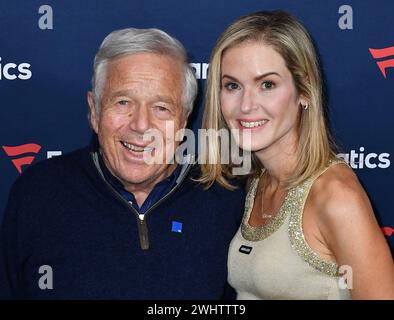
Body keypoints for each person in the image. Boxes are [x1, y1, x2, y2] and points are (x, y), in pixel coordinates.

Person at [0, 28, 245, 299]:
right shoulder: (38, 193)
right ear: (94, 112)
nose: (141, 125)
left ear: (183, 121)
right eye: (123, 102)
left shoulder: (224, 198)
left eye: (161, 108)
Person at [199, 10, 394, 299]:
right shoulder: (256, 181)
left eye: (267, 84)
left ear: (304, 91)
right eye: (233, 85)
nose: (246, 105)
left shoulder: (336, 196)